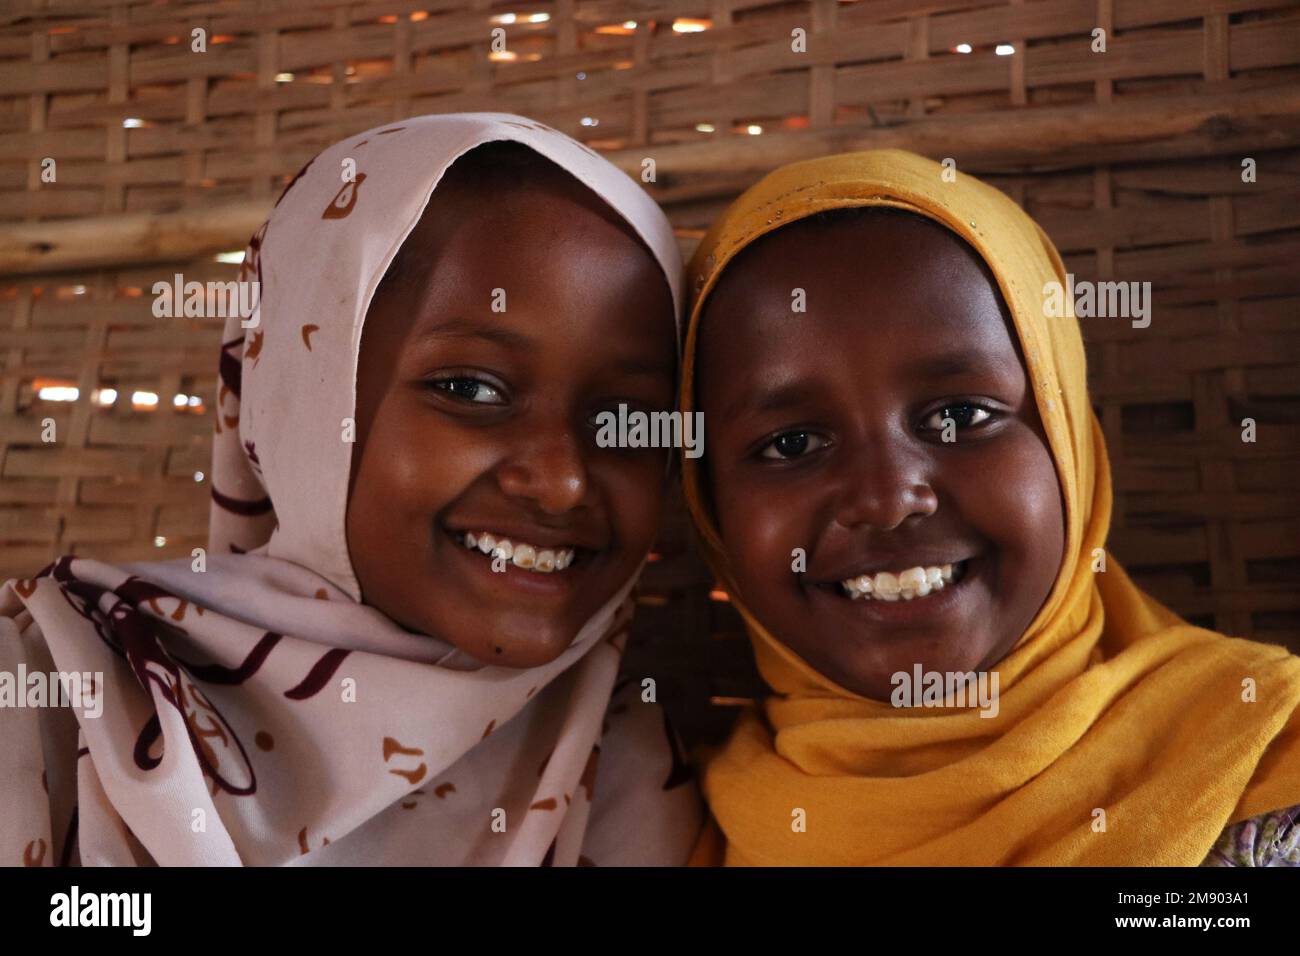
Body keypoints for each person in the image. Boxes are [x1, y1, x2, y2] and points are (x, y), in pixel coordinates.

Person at [1, 113, 700, 866]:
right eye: (469, 388)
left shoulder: (628, 765)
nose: (563, 481)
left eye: (625, 417)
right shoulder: (55, 689)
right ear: (303, 394)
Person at [679, 148, 1300, 866]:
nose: (885, 499)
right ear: (708, 504)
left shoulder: (1259, 762)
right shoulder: (664, 826)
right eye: (790, 443)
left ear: (1070, 442)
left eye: (961, 415)